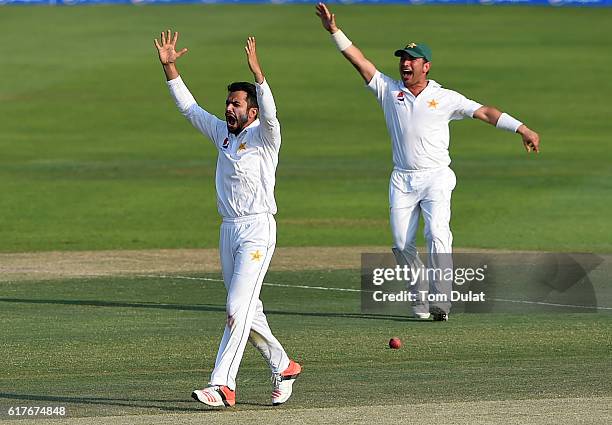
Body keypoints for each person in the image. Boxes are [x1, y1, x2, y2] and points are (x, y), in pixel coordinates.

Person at [315, 3, 540, 321]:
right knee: (400, 243)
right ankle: (419, 295)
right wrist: (334, 31)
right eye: (402, 60)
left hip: (436, 176)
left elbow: (486, 113)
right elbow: (360, 62)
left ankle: (442, 300)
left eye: (411, 60)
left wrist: (522, 128)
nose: (404, 64)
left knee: (436, 232)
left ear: (426, 66)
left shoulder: (445, 97)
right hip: (402, 179)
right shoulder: (389, 90)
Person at [154, 30, 301, 407]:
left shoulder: (267, 136)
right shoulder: (222, 134)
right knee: (247, 311)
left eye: (236, 104)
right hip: (228, 230)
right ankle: (283, 365)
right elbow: (190, 110)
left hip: (257, 229)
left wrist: (259, 78)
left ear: (251, 111)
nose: (228, 109)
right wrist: (170, 68)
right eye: (228, 103)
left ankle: (222, 385)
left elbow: (271, 115)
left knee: (236, 309)